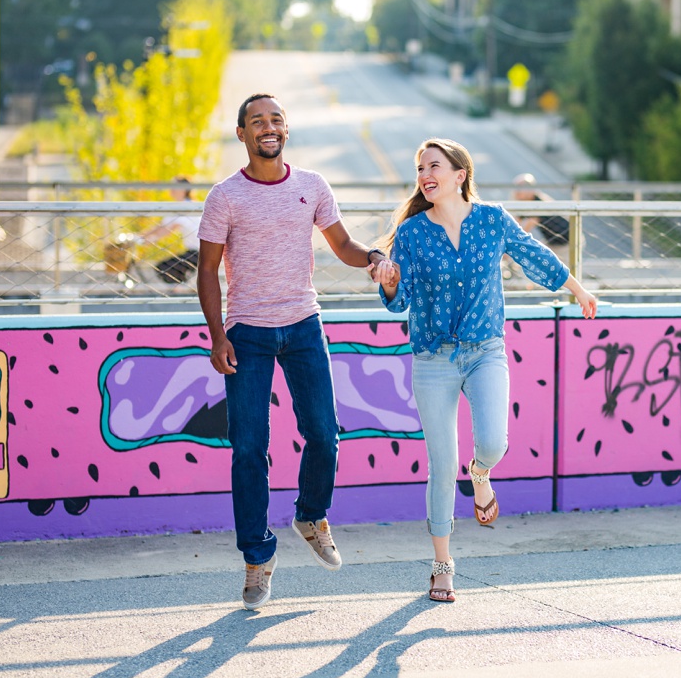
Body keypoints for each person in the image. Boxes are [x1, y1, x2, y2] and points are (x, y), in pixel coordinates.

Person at [370, 138, 597, 603]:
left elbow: (532, 253)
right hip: (433, 357)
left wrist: (576, 288)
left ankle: (481, 473)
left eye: (434, 165)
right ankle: (442, 564)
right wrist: (391, 283)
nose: (424, 174)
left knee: (494, 442)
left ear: (460, 174)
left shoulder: (492, 219)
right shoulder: (412, 233)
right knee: (440, 463)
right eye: (419, 168)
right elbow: (401, 300)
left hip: (485, 351)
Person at [197, 93, 390, 611]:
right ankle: (257, 559)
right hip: (248, 334)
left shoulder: (312, 187)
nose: (268, 127)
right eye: (257, 121)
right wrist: (218, 336)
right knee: (247, 449)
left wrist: (371, 257)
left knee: (325, 436)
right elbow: (207, 272)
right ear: (242, 134)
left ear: (286, 129)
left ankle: (310, 514)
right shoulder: (225, 196)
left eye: (276, 119)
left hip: (304, 325)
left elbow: (342, 245)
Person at [142, 176, 200, 289]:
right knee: (168, 270)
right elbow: (161, 226)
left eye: (175, 187)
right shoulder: (177, 206)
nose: (171, 189)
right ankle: (184, 290)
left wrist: (151, 240)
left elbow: (170, 228)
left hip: (199, 252)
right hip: (192, 251)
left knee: (164, 269)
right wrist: (140, 236)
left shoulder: (189, 206)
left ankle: (184, 293)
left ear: (184, 189)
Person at [512, 173, 571, 267]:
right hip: (552, 240)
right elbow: (514, 224)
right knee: (537, 260)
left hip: (567, 241)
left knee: (557, 271)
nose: (516, 192)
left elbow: (525, 230)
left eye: (520, 189)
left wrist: (512, 245)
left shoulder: (538, 203)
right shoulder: (526, 203)